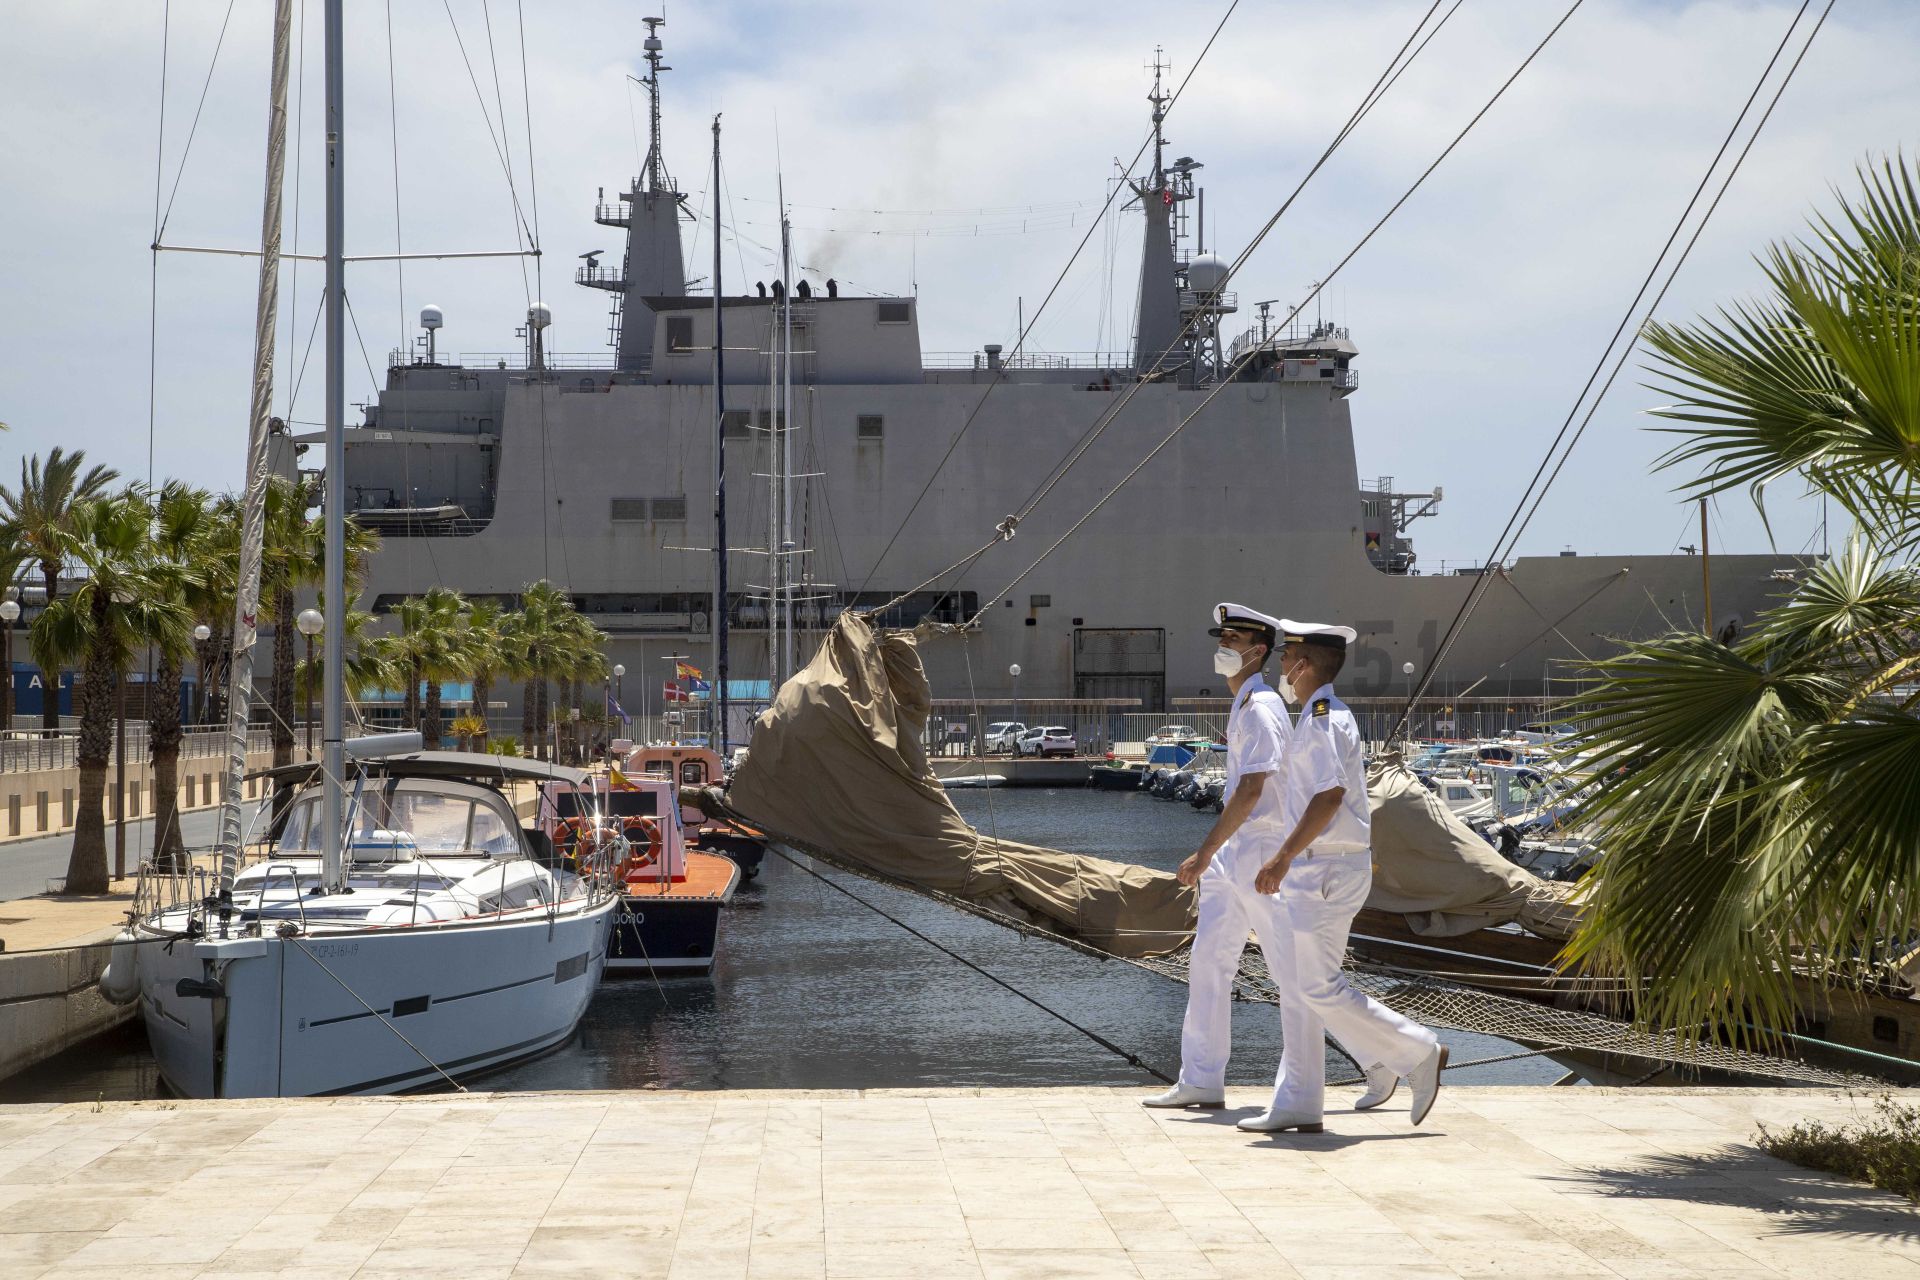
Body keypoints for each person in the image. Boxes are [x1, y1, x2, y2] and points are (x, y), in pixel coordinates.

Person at [1238, 619, 1446, 1133]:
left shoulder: (1325, 720)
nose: (1282, 666)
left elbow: (1328, 797)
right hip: (1321, 869)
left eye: (1286, 658)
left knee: (1315, 985)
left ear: (1303, 665)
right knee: (1307, 983)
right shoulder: (1317, 716)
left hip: (1325, 869)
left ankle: (1417, 1051)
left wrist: (1282, 856)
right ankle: (1369, 1065)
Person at [1142, 604, 1297, 1117]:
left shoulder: (1261, 707)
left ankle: (1387, 1056)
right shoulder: (1244, 702)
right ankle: (1201, 1079)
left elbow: (1253, 788)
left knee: (1292, 969)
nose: (1224, 645)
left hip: (1262, 854)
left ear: (1259, 650)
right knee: (1208, 962)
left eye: (1234, 638)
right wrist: (1218, 854)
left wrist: (1205, 851)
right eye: (1221, 636)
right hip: (1237, 853)